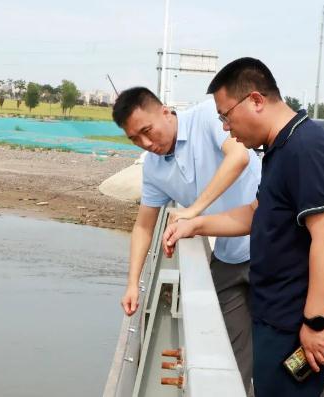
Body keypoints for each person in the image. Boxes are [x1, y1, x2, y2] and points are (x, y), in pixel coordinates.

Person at [162, 58, 324, 397]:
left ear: (256, 100)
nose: (224, 127)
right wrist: (197, 225)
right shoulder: (279, 149)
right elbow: (256, 213)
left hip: (298, 326)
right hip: (277, 318)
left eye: (225, 115)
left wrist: (315, 322)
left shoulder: (305, 148)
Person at [112, 87, 261, 391]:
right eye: (134, 139)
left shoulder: (206, 116)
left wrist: (193, 210)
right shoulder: (153, 167)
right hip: (229, 255)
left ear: (165, 111)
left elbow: (239, 157)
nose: (145, 143)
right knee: (229, 356)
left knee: (283, 355)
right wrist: (132, 283)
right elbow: (144, 227)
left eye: (147, 131)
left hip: (269, 247)